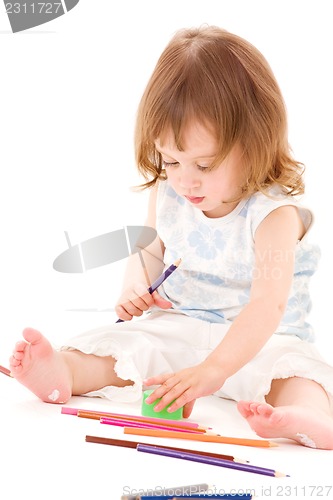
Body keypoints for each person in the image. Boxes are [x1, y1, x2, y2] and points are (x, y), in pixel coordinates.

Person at [9, 25, 333, 449]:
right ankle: (65, 371)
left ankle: (308, 416)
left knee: (292, 372)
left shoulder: (274, 214)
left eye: (203, 164)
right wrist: (135, 285)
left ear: (255, 144)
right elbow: (150, 248)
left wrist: (214, 371)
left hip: (261, 340)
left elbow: (266, 306)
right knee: (132, 343)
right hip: (182, 324)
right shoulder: (170, 191)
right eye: (171, 160)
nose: (184, 180)